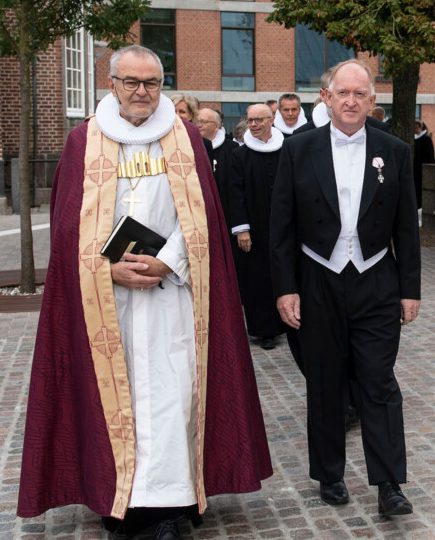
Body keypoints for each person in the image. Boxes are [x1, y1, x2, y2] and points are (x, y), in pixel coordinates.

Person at [17, 45, 272, 540]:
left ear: (162, 86)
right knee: (121, 399)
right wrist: (106, 268)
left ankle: (173, 504)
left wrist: (168, 261)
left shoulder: (185, 142)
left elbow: (202, 221)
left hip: (172, 298)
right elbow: (68, 226)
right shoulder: (82, 142)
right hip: (108, 307)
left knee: (173, 396)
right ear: (111, 84)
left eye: (151, 83)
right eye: (131, 82)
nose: (141, 92)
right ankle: (124, 502)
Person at [270, 59, 420, 517]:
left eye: (361, 94)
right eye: (343, 93)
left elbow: (407, 228)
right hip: (318, 280)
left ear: (372, 101)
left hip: (376, 279)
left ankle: (389, 483)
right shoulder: (299, 150)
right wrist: (285, 287)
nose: (352, 101)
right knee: (325, 382)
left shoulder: (394, 151)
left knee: (379, 383)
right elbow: (281, 226)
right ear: (327, 98)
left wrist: (410, 289)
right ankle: (330, 473)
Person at [222, 103, 288, 352]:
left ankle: (288, 323)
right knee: (257, 280)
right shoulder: (239, 155)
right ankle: (265, 330)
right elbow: (234, 193)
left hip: (283, 226)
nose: (253, 125)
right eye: (250, 121)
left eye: (259, 120)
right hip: (253, 229)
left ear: (272, 120)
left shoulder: (287, 149)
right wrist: (242, 229)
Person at [413, 120, 435, 208]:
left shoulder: (426, 139)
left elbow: (429, 156)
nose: (414, 130)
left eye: (416, 128)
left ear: (421, 128)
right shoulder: (415, 139)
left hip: (422, 170)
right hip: (416, 169)